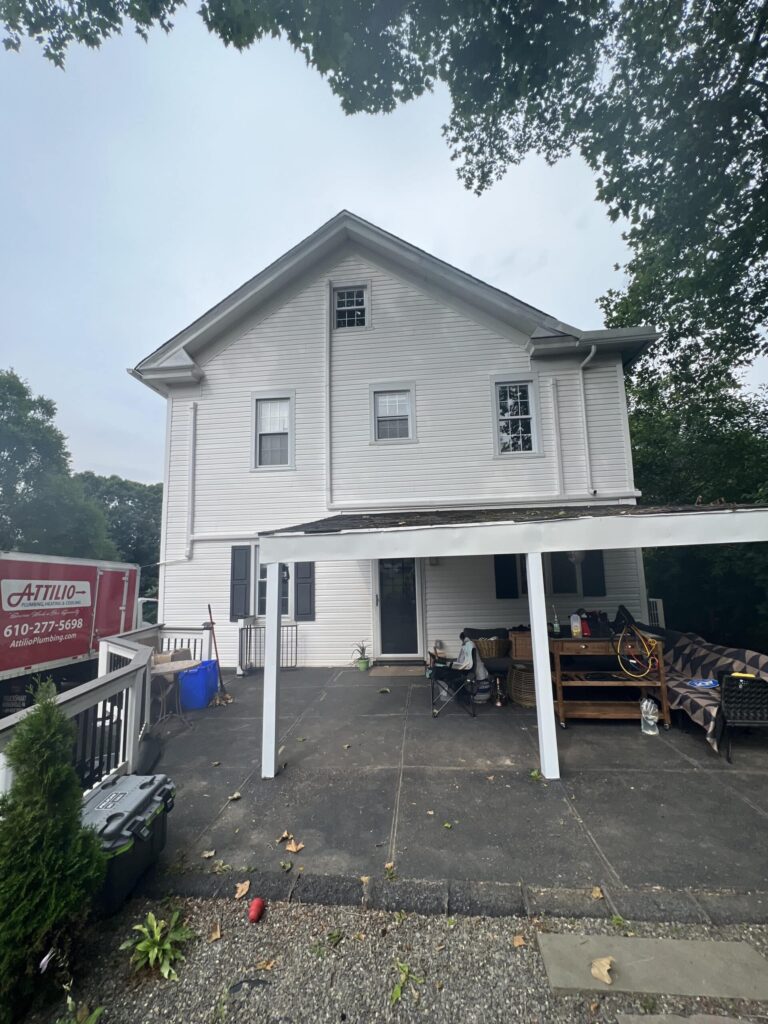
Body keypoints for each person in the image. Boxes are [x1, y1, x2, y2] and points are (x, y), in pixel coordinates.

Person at [434, 632, 491, 704]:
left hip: (468, 672)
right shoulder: (470, 645)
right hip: (469, 670)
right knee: (442, 667)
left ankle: (450, 694)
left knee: (441, 670)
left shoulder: (468, 645)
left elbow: (462, 662)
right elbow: (461, 661)